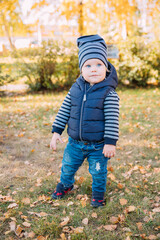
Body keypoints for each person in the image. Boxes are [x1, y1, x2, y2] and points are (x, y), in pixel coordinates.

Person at [50, 34, 119, 207]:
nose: (93, 69)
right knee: (67, 165)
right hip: (74, 143)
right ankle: (66, 184)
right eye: (88, 65)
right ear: (81, 69)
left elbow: (112, 120)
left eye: (98, 64)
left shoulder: (108, 93)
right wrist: (56, 131)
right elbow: (64, 110)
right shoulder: (75, 89)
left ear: (106, 68)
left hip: (98, 145)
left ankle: (97, 194)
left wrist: (110, 143)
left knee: (98, 171)